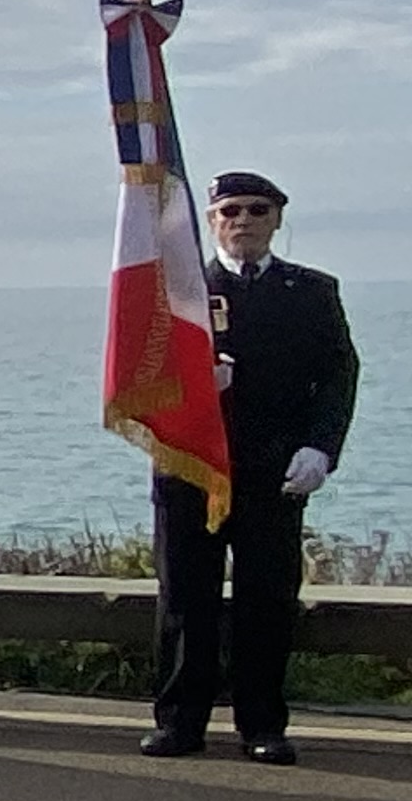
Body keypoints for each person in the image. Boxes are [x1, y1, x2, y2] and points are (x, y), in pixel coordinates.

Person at [145, 170, 357, 765]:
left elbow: (339, 376)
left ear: (278, 220)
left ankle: (262, 724)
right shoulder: (176, 291)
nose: (243, 221)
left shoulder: (312, 291)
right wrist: (192, 388)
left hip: (272, 470)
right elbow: (138, 383)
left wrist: (321, 448)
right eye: (230, 211)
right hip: (191, 467)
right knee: (187, 598)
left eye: (257, 210)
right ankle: (180, 722)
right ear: (211, 221)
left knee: (267, 599)